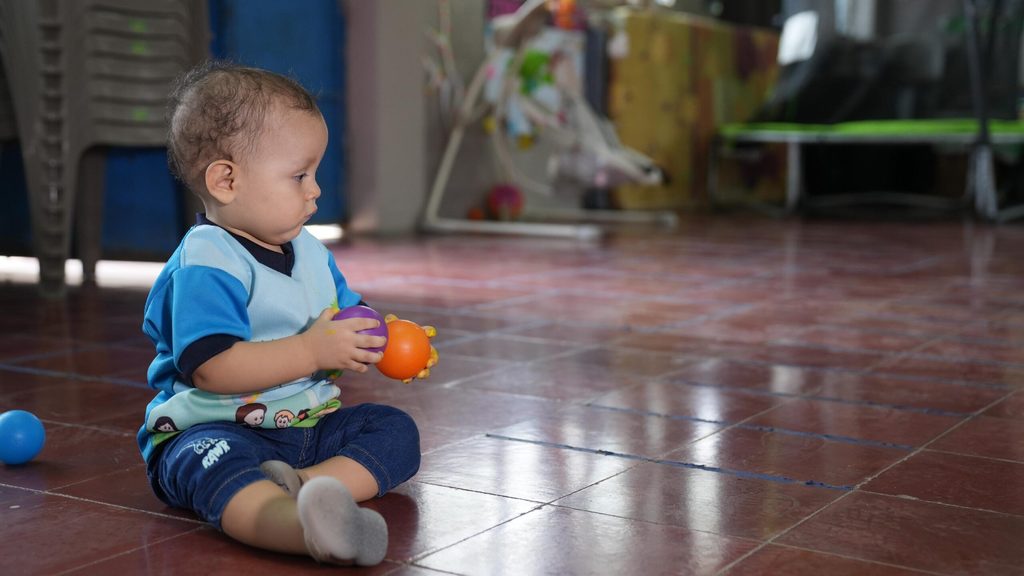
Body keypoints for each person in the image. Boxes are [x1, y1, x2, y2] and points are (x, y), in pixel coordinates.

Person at [137, 60, 421, 567]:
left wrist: (390, 338)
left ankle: (305, 487)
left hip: (309, 427)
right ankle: (298, 529)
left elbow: (350, 312)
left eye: (314, 173)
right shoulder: (208, 261)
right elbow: (212, 367)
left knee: (396, 432)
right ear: (226, 181)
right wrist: (311, 349)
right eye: (299, 175)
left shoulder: (309, 250)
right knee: (215, 468)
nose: (315, 190)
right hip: (214, 429)